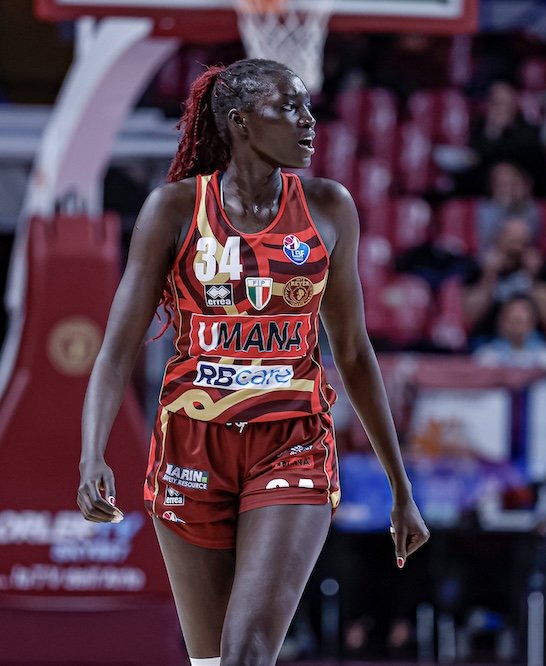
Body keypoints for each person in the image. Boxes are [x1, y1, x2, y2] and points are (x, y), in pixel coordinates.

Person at [77, 60, 429, 666]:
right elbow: (115, 349)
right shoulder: (172, 210)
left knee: (247, 655)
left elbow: (352, 351)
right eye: (289, 108)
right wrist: (91, 453)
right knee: (211, 661)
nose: (309, 122)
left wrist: (401, 486)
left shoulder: (328, 206)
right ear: (240, 122)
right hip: (191, 445)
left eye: (307, 106)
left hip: (291, 442)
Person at [473, 296, 546, 370]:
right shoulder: (486, 356)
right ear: (500, 322)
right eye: (511, 320)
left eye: (520, 321)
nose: (515, 327)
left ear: (532, 323)